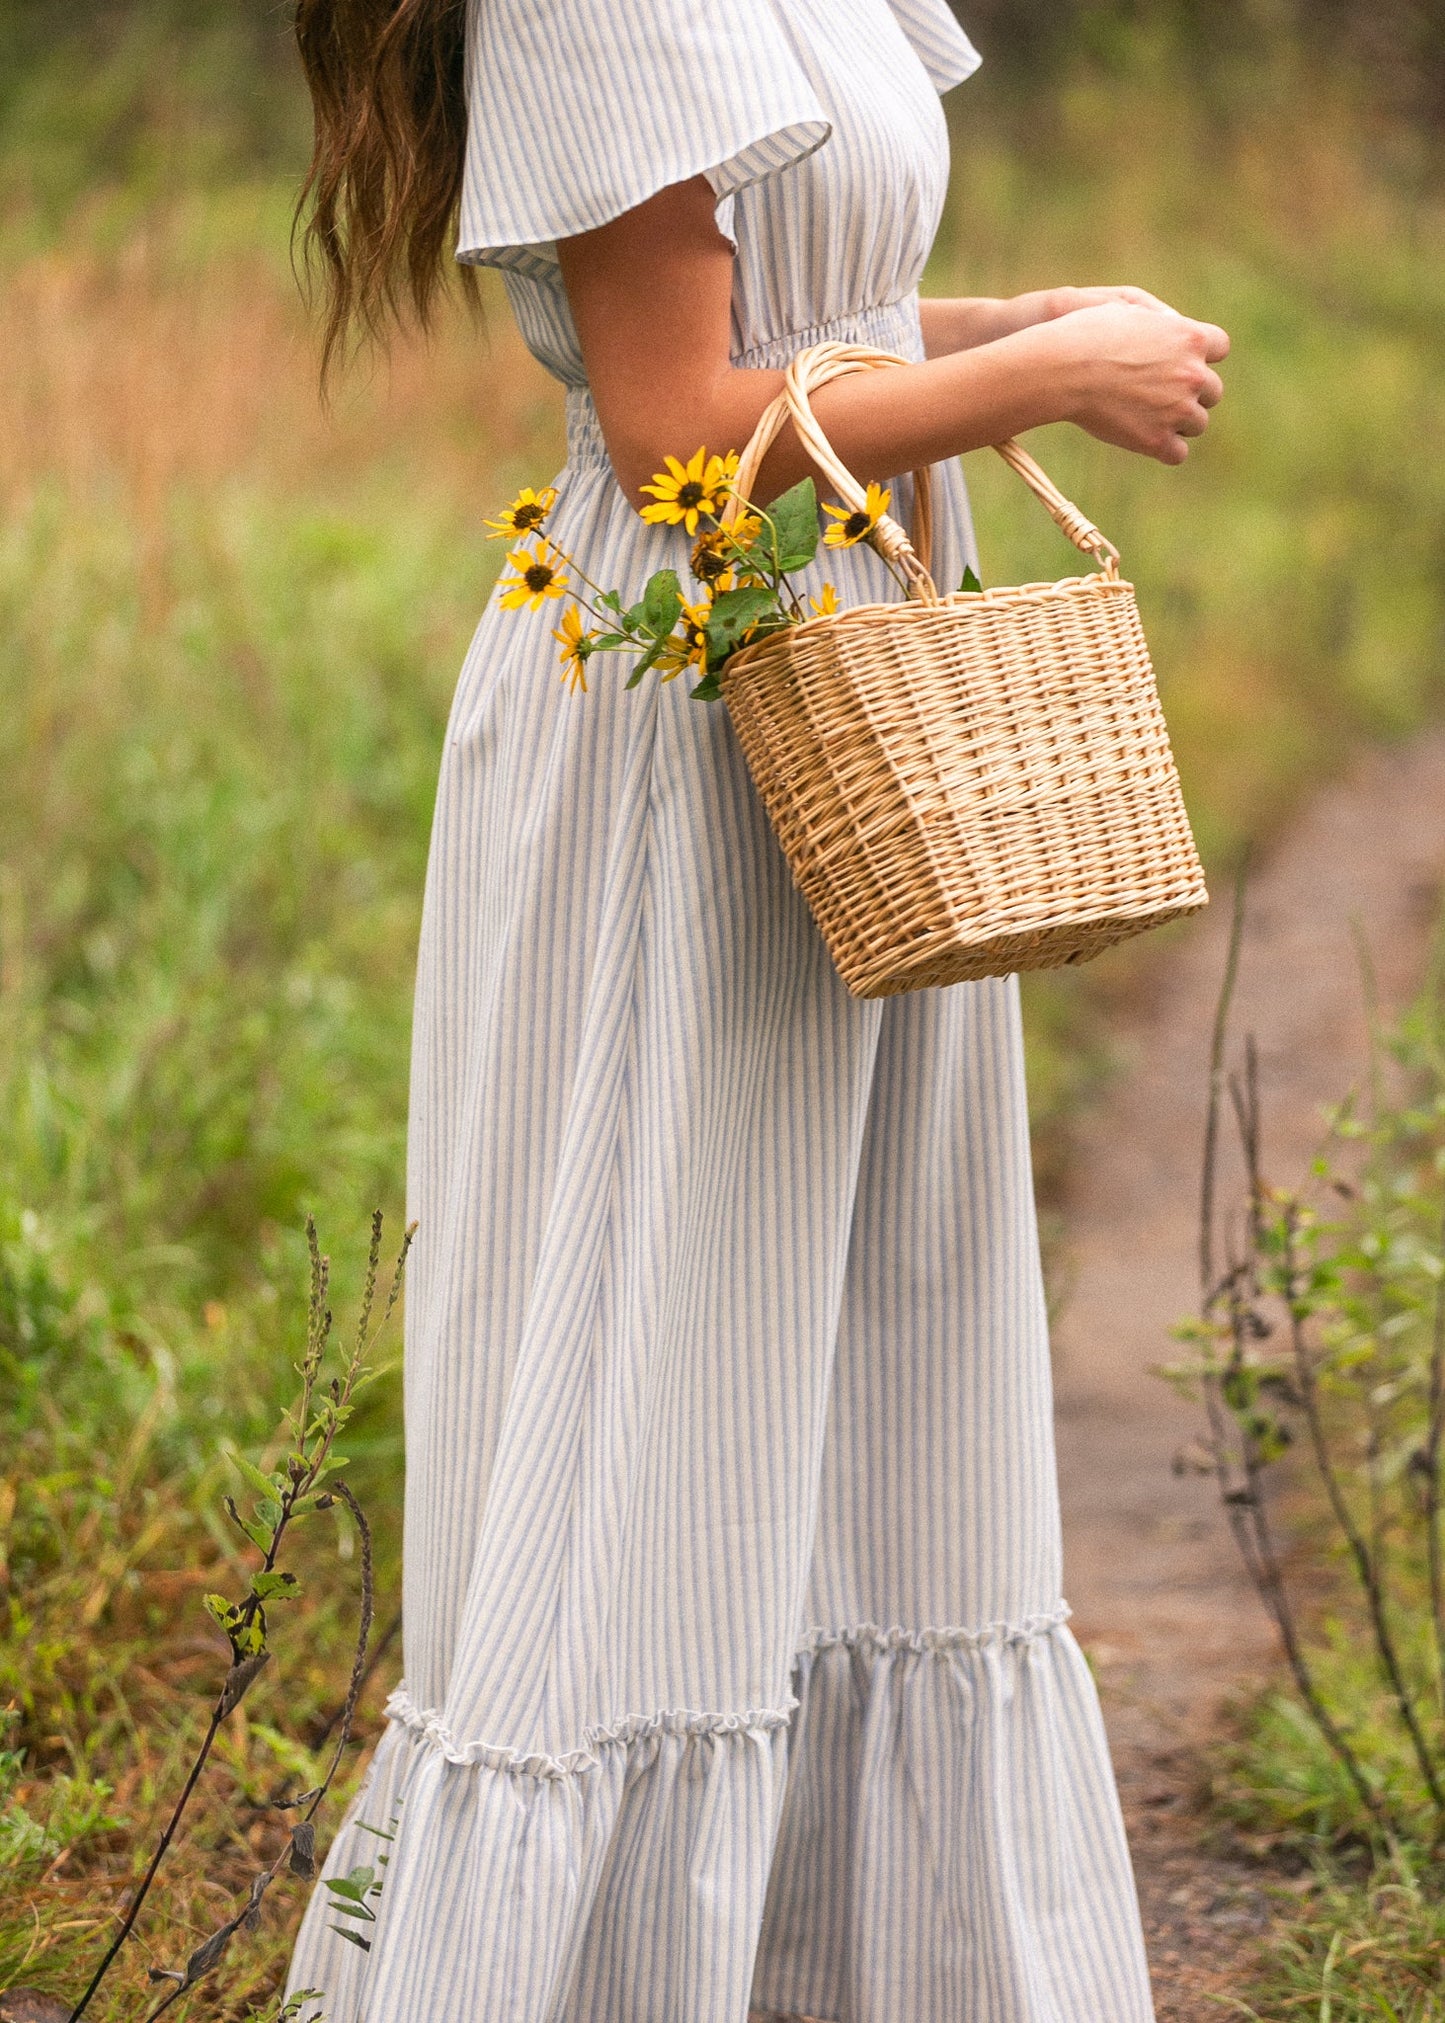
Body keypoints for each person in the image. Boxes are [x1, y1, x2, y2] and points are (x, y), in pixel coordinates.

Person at [283, 1, 1227, 2017]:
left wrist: (998, 324)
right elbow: (673, 425)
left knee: (877, 1358)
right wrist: (1051, 378)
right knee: (647, 1377)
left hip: (855, 696)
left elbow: (812, 303)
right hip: (684, 733)